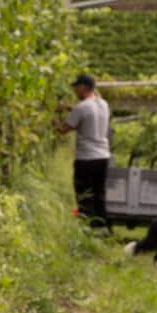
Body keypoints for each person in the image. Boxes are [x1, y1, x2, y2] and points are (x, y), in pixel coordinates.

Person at [58, 73, 112, 228]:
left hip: (86, 159)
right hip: (103, 157)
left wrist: (53, 119)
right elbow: (89, 112)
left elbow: (63, 130)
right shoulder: (104, 104)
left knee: (84, 197)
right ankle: (103, 229)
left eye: (76, 87)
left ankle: (87, 230)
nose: (75, 91)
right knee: (99, 195)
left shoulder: (81, 108)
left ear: (83, 87)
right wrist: (70, 108)